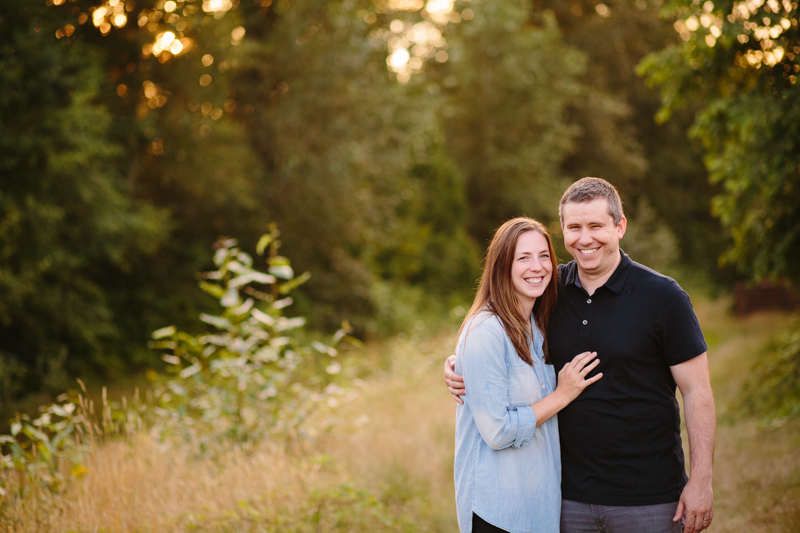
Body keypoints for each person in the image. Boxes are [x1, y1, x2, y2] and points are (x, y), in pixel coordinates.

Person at [445, 178, 716, 533]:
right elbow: (497, 332)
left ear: (619, 226)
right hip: (566, 501)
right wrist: (456, 364)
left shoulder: (663, 297)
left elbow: (698, 391)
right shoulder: (548, 292)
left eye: (596, 226)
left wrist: (701, 480)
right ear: (563, 231)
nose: (585, 238)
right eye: (574, 227)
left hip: (649, 497)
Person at [453, 217, 603, 533]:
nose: (537, 267)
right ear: (501, 266)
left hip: (538, 506)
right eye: (523, 258)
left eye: (544, 256)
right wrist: (562, 395)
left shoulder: (535, 326)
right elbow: (497, 432)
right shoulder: (485, 331)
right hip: (499, 512)